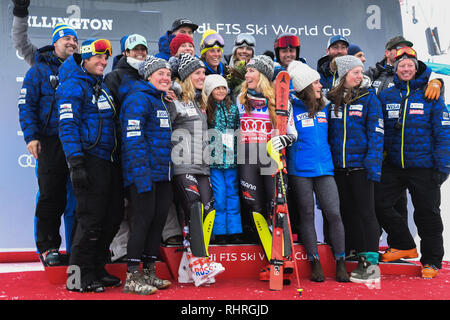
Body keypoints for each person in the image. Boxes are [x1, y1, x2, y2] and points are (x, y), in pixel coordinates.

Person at [375, 47, 450, 279]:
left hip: (424, 167)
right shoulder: (386, 95)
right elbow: (380, 130)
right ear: (395, 70)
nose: (406, 69)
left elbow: (443, 132)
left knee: (427, 214)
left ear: (416, 68)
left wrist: (443, 166)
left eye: (410, 65)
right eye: (401, 66)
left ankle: (431, 261)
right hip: (394, 166)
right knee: (378, 203)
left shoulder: (431, 93)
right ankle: (404, 244)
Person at [56, 38, 123, 292]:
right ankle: (76, 276)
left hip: (109, 160)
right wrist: (75, 162)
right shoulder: (73, 85)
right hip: (88, 160)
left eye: (106, 58)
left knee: (113, 216)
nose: (103, 62)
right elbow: (67, 124)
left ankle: (95, 268)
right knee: (89, 220)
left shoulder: (101, 86)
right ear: (84, 59)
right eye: (98, 58)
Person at [13, 1, 77, 259]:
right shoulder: (39, 68)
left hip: (79, 144)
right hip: (51, 141)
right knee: (51, 196)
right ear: (55, 43)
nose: (71, 42)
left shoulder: (83, 70)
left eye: (74, 39)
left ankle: (78, 250)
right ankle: (49, 247)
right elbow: (27, 105)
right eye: (66, 38)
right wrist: (32, 136)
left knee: (79, 201)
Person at [286, 61, 349, 282]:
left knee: (333, 213)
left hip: (325, 168)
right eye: (315, 82)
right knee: (307, 215)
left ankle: (340, 261)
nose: (320, 85)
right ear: (304, 86)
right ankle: (314, 262)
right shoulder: (291, 107)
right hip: (300, 169)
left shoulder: (326, 105)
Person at [236, 55, 297, 279]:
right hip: (247, 157)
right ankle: (273, 258)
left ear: (262, 75)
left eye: (252, 71)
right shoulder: (240, 99)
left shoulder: (280, 100)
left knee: (277, 207)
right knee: (255, 207)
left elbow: (293, 134)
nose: (247, 75)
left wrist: (284, 141)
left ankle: (284, 257)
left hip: (271, 158)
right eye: (247, 72)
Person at [326, 55, 384, 284]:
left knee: (366, 213)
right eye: (355, 72)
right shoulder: (331, 100)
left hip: (361, 167)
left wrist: (373, 164)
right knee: (346, 213)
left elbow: (376, 135)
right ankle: (354, 252)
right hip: (339, 169)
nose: (360, 76)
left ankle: (370, 265)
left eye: (361, 72)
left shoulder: (369, 99)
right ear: (343, 76)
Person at [119, 56, 173, 294]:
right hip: (144, 173)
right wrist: (141, 175)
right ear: (148, 76)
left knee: (157, 221)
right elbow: (133, 140)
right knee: (141, 221)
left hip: (162, 173)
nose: (165, 78)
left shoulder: (159, 100)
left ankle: (149, 271)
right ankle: (132, 276)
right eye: (160, 74)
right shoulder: (137, 98)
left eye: (168, 75)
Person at [170, 54, 225, 286]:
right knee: (193, 209)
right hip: (183, 165)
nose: (202, 76)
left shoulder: (200, 102)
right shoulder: (174, 99)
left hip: (203, 166)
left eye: (203, 73)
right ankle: (200, 265)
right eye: (197, 73)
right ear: (185, 77)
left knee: (207, 211)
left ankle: (187, 269)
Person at [203, 74, 243, 244]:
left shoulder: (233, 108)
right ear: (210, 90)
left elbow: (238, 130)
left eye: (223, 88)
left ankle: (234, 230)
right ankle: (220, 232)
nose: (220, 91)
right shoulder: (206, 109)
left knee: (233, 195)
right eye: (216, 88)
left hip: (232, 160)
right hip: (215, 161)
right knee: (219, 196)